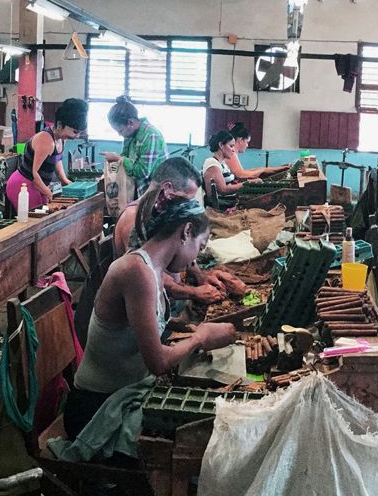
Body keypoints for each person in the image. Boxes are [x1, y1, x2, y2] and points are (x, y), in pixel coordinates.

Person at [65, 198, 237, 439]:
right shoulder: (137, 272)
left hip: (123, 394)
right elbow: (157, 363)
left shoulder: (153, 269)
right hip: (97, 411)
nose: (194, 260)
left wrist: (185, 327)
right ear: (186, 231)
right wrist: (201, 337)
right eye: (200, 246)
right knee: (204, 433)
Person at [114, 157, 243, 304]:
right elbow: (146, 272)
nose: (188, 207)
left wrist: (200, 275)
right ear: (168, 189)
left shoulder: (161, 212)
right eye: (186, 200)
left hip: (166, 300)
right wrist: (193, 292)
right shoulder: (134, 219)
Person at [6, 98, 86, 210]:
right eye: (75, 132)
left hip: (38, 185)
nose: (76, 136)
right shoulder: (46, 141)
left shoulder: (61, 138)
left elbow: (57, 160)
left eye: (79, 133)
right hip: (23, 185)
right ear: (59, 125)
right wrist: (49, 194)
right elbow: (35, 175)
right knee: (34, 222)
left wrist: (66, 182)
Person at [101, 96, 168, 195]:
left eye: (120, 130)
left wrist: (119, 159)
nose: (120, 134)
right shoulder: (130, 134)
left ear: (130, 123)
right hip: (139, 190)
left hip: (156, 195)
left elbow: (143, 172)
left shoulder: (151, 136)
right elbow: (125, 155)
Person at [203, 130, 257, 207]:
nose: (233, 150)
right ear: (221, 145)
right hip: (223, 205)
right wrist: (248, 184)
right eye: (231, 146)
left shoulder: (223, 163)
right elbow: (223, 190)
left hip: (230, 201)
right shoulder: (212, 163)